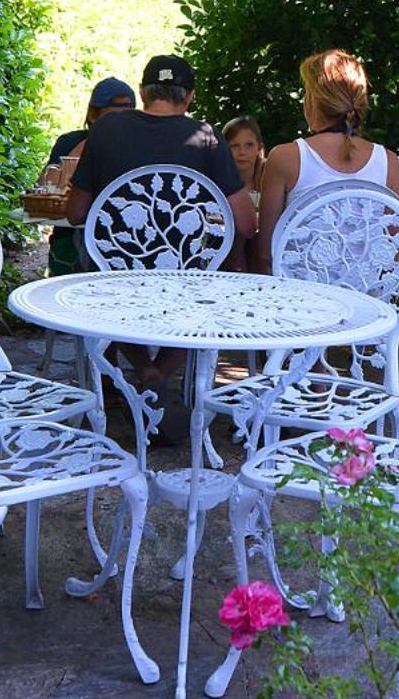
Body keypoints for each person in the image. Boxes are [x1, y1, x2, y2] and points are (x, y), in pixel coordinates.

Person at [66, 55, 257, 437]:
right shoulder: (206, 137)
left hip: (117, 273)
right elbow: (246, 224)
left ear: (142, 93)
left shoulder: (104, 131)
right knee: (208, 292)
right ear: (189, 98)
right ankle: (160, 376)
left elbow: (75, 213)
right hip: (185, 275)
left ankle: (144, 371)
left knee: (97, 272)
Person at [256, 49, 399, 272]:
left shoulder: (285, 158)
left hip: (302, 300)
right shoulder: (388, 162)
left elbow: (267, 252)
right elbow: (398, 247)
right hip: (367, 302)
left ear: (314, 101)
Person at [38, 77, 136, 277]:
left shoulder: (138, 147)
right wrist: (93, 142)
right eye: (116, 111)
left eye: (130, 110)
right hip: (71, 240)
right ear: (93, 114)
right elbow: (44, 190)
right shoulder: (71, 142)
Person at [221, 115, 268, 272]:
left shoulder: (268, 179)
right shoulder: (220, 181)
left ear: (259, 148)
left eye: (249, 145)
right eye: (234, 146)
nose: (242, 152)